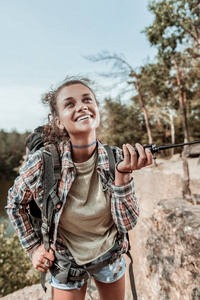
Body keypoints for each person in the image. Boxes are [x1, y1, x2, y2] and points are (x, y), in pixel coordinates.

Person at [6, 76, 153, 300]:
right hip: (66, 259)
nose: (82, 106)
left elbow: (127, 223)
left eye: (87, 100)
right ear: (58, 122)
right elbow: (15, 203)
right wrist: (33, 248)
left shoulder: (116, 159)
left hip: (110, 256)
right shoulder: (42, 163)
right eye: (69, 103)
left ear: (96, 110)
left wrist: (123, 175)